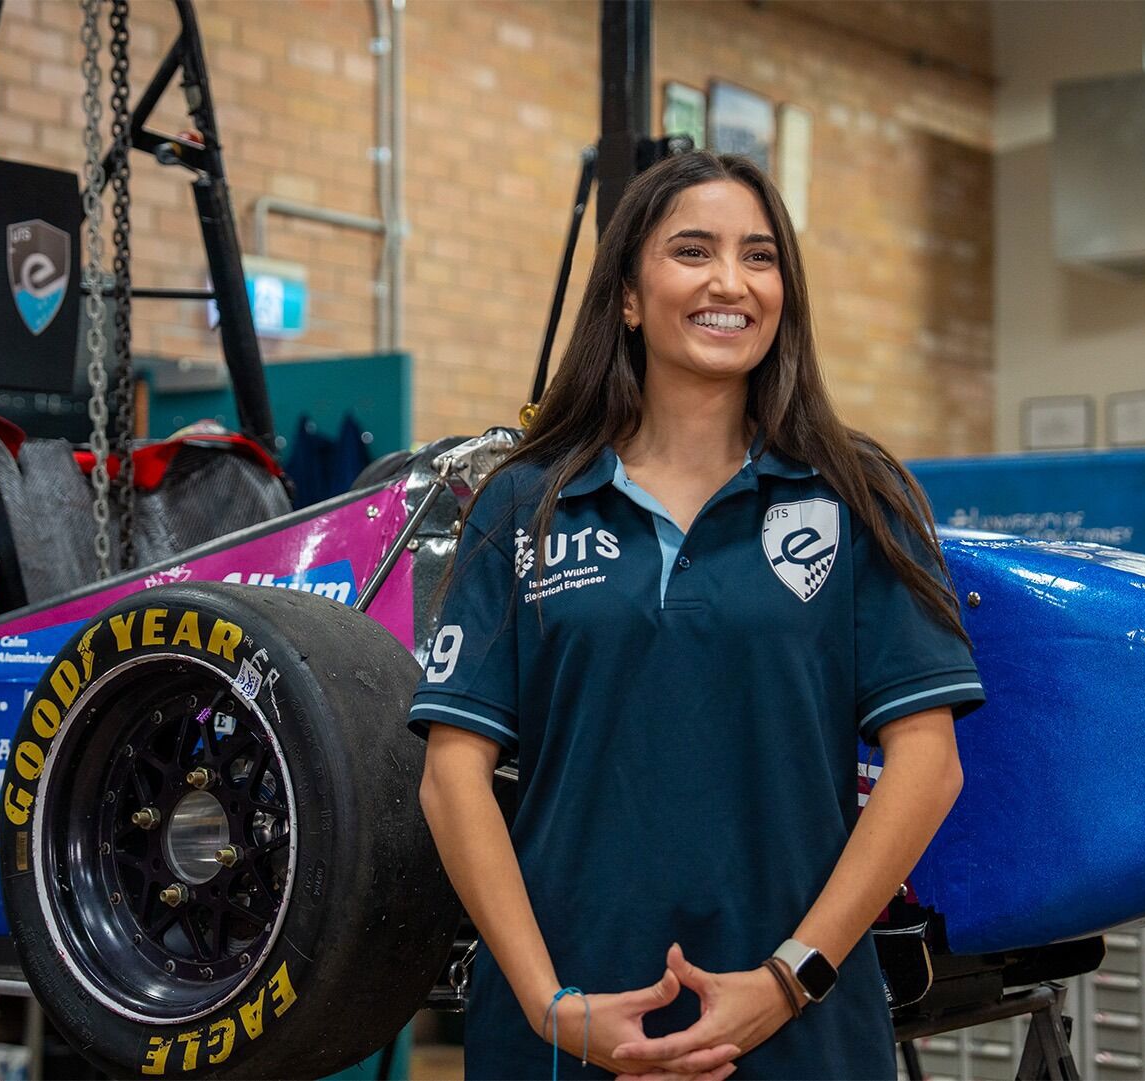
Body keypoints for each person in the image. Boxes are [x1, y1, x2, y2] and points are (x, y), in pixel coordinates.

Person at [411, 151, 984, 1080]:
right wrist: (546, 1001)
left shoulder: (854, 496)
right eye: (693, 250)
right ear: (630, 298)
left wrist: (791, 977)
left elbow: (929, 763)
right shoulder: (525, 505)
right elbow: (452, 779)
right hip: (565, 1029)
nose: (731, 281)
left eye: (760, 257)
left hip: (802, 1028)